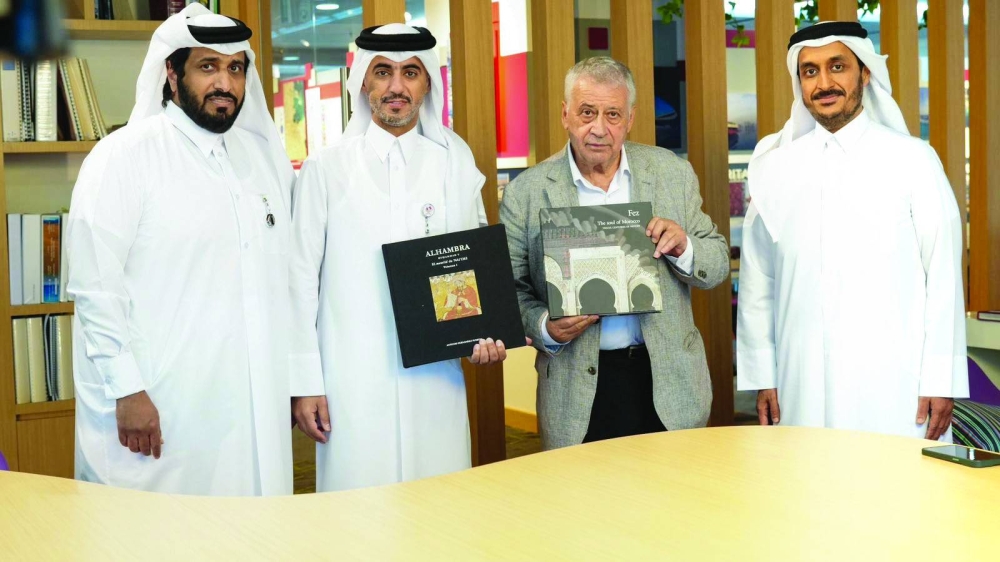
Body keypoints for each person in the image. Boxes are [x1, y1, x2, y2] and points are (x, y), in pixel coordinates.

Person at [66, 4, 294, 495]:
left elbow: (285, 278)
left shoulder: (261, 160)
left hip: (251, 401)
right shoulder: (125, 157)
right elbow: (94, 286)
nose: (225, 83)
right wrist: (127, 389)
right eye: (207, 66)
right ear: (171, 74)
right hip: (163, 402)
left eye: (235, 68)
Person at [288, 24, 514, 491]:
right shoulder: (325, 169)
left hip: (436, 380)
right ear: (363, 83)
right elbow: (298, 282)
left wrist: (484, 332)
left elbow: (474, 270)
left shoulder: (454, 163)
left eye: (410, 73)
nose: (396, 86)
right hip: (351, 378)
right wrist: (305, 381)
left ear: (427, 83)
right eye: (383, 72)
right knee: (356, 515)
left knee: (440, 506)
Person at [736, 21, 969, 440]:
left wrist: (941, 379)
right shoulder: (773, 167)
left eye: (837, 66)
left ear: (864, 73)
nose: (824, 83)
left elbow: (944, 278)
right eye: (810, 71)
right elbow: (758, 281)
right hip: (799, 379)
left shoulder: (913, 160)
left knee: (899, 496)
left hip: (896, 387)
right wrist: (762, 374)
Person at [499, 56, 730, 449]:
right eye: (587, 113)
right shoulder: (528, 191)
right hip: (576, 389)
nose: (599, 129)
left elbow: (718, 261)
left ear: (631, 117)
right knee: (585, 507)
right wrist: (544, 328)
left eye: (613, 115)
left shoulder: (671, 173)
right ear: (565, 114)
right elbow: (510, 289)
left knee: (675, 505)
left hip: (668, 383)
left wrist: (684, 247)